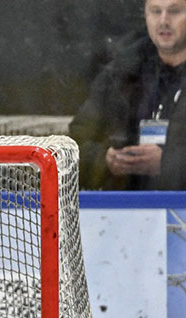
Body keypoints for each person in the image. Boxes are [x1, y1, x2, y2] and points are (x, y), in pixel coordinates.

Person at [70, 0, 186, 190]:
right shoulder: (122, 71)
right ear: (146, 16)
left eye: (175, 11)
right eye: (156, 11)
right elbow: (74, 144)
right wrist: (105, 161)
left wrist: (167, 164)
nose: (164, 21)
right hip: (124, 209)